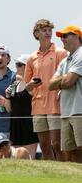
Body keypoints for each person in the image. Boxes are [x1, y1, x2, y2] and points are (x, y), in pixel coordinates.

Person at [25, 19, 68, 161]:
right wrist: (31, 85)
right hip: (37, 105)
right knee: (44, 145)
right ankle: (52, 174)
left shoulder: (61, 53)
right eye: (44, 30)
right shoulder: (31, 58)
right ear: (36, 33)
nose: (48, 33)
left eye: (49, 30)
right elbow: (27, 85)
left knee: (57, 143)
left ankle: (65, 170)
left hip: (55, 104)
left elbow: (67, 77)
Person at [49, 25, 82, 163]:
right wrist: (65, 77)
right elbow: (51, 85)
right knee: (69, 151)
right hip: (67, 111)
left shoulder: (81, 54)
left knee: (80, 149)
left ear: (76, 36)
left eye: (65, 36)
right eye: (61, 37)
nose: (62, 39)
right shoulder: (65, 61)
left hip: (79, 111)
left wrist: (61, 79)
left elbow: (69, 82)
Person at [4, 55, 38, 159]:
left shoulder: (32, 83)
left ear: (27, 67)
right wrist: (7, 97)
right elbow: (9, 109)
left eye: (19, 65)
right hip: (15, 125)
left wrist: (25, 81)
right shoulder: (14, 83)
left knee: (29, 157)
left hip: (28, 124)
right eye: (16, 65)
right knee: (14, 156)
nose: (17, 68)